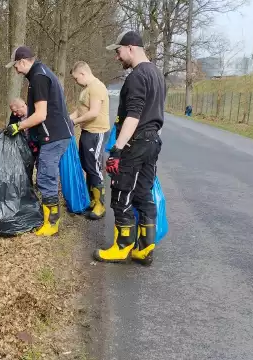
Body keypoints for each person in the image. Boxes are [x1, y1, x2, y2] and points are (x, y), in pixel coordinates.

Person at [93, 30, 165, 265]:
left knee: (123, 191)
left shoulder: (136, 76)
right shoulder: (156, 74)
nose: (117, 57)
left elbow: (133, 117)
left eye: (119, 51)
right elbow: (157, 114)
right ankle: (145, 248)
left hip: (136, 142)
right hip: (153, 140)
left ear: (131, 48)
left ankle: (122, 246)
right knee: (143, 193)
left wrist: (117, 150)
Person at [4, 45, 75, 236]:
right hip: (54, 134)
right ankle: (50, 221)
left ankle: (51, 224)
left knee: (45, 176)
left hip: (54, 136)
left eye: (16, 66)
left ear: (23, 61)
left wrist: (19, 126)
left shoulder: (39, 77)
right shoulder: (40, 73)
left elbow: (41, 115)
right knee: (45, 175)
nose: (16, 70)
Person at [69, 61, 111, 220]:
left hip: (97, 132)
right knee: (87, 166)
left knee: (94, 167)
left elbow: (93, 113)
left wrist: (74, 122)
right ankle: (92, 201)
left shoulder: (97, 87)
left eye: (76, 78)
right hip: (87, 131)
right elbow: (80, 111)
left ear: (82, 73)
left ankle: (100, 205)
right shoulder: (86, 89)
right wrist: (67, 119)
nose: (75, 81)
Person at [9, 98, 40, 182]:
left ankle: (40, 187)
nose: (14, 114)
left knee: (41, 167)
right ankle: (28, 188)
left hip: (39, 144)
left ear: (23, 106)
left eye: (16, 111)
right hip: (26, 146)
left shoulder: (35, 112)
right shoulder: (14, 117)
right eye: (13, 112)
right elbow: (11, 128)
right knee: (27, 168)